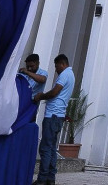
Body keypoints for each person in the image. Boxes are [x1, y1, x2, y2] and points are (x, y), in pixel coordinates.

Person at [33, 53, 75, 185]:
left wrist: (41, 96)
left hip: (52, 116)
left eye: (57, 67)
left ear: (62, 64)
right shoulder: (71, 75)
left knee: (45, 148)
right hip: (58, 116)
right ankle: (50, 179)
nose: (56, 70)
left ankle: (42, 180)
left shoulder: (64, 75)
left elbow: (55, 92)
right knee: (51, 148)